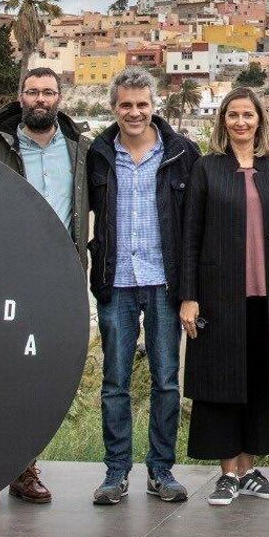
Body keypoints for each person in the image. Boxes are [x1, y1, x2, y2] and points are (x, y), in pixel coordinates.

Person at [0, 66, 91, 505]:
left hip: (59, 278)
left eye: (48, 92)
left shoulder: (81, 152)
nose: (40, 99)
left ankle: (23, 470)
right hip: (5, 277)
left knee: (38, 376)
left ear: (60, 98)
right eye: (32, 92)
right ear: (19, 97)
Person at [86, 67, 198, 506]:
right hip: (116, 282)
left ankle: (160, 470)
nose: (134, 112)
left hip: (164, 284)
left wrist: (190, 289)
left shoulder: (181, 154)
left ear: (155, 106)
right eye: (126, 105)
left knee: (166, 381)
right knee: (115, 382)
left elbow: (192, 228)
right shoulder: (97, 155)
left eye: (142, 104)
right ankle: (116, 472)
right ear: (114, 108)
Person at [178, 86, 269, 507]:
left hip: (268, 296)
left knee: (260, 382)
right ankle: (227, 472)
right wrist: (188, 296)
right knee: (222, 381)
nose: (241, 122)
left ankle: (249, 470)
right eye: (233, 115)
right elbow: (189, 236)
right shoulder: (207, 169)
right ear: (222, 122)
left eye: (248, 115)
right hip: (219, 296)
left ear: (260, 120)